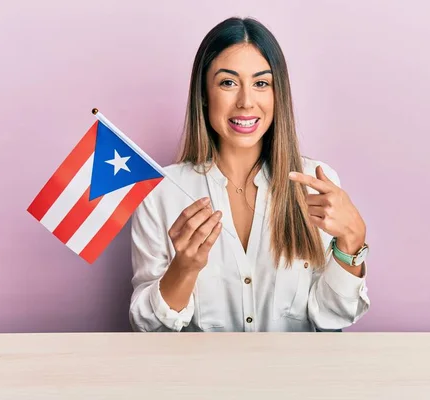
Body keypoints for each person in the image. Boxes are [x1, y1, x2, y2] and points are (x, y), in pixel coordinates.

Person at [129, 16, 370, 332]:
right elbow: (146, 328)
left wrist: (352, 244)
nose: (245, 102)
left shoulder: (318, 184)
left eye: (261, 83)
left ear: (276, 93)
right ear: (204, 93)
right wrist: (184, 269)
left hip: (296, 378)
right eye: (228, 83)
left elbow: (334, 317)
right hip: (200, 379)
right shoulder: (161, 193)